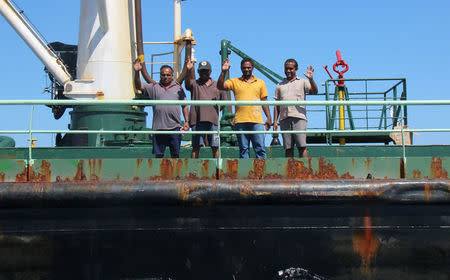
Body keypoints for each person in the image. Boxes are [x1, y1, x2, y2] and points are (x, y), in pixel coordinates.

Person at [217, 57, 272, 158]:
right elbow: (220, 86)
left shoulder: (260, 83)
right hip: (240, 121)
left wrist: (269, 117)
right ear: (241, 68)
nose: (246, 69)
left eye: (249, 67)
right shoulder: (235, 81)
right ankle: (246, 173)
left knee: (260, 149)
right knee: (243, 150)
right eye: (244, 68)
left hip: (257, 121)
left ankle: (261, 173)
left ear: (253, 68)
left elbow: (264, 101)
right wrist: (223, 71)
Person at [134, 59, 189, 158]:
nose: (166, 77)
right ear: (160, 75)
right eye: (163, 75)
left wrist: (187, 121)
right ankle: (159, 174)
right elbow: (139, 86)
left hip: (175, 128)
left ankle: (176, 174)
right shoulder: (154, 87)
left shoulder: (178, 88)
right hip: (158, 128)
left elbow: (184, 105)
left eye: (168, 75)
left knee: (175, 155)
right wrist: (137, 71)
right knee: (158, 156)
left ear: (172, 76)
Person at [273, 58, 318, 158]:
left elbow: (314, 91)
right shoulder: (279, 85)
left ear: (296, 69)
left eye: (291, 69)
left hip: (299, 118)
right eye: (286, 69)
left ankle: (305, 171)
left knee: (302, 147)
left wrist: (311, 79)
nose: (288, 71)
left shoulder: (303, 82)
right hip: (284, 119)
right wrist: (275, 121)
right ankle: (290, 172)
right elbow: (276, 105)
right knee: (288, 148)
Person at [185, 58, 228, 158]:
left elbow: (224, 102)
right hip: (197, 120)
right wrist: (188, 70)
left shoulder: (218, 84)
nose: (204, 73)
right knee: (196, 147)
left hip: (213, 122)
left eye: (206, 70)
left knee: (215, 147)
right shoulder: (195, 84)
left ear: (210, 71)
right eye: (202, 70)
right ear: (198, 71)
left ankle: (217, 171)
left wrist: (214, 110)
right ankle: (194, 172)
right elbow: (187, 85)